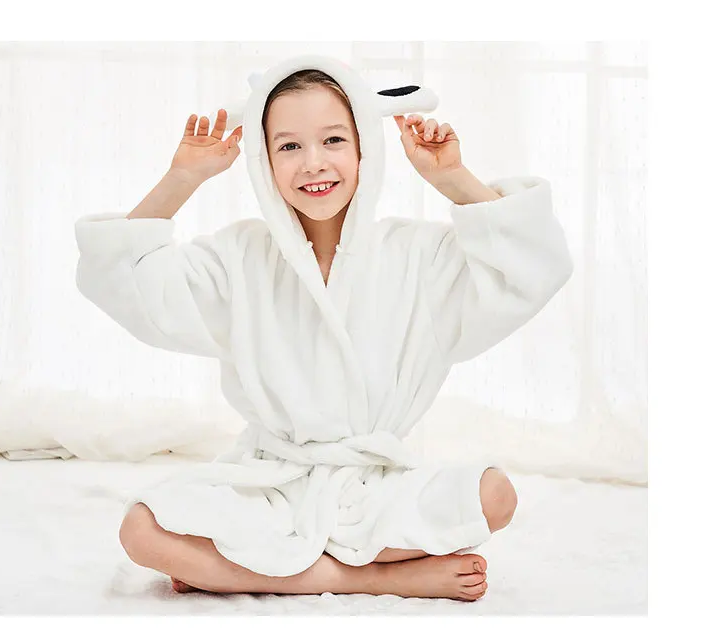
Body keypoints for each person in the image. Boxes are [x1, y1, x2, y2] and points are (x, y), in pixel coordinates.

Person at [74, 55, 574, 600]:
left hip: (375, 489)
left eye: (333, 140)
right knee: (141, 529)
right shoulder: (240, 258)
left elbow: (531, 268)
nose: (313, 163)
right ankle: (373, 577)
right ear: (263, 161)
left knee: (495, 495)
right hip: (270, 485)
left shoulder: (418, 255)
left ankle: (249, 570)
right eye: (289, 146)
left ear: (364, 147)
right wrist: (182, 179)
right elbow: (125, 283)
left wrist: (452, 179)